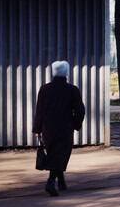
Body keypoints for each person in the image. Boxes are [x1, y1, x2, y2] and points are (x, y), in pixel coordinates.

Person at [32, 60, 86, 196]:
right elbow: (80, 111)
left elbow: (39, 111)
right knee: (60, 155)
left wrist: (37, 130)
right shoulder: (72, 90)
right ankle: (50, 182)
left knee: (54, 154)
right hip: (65, 128)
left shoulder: (44, 89)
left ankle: (61, 182)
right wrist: (75, 124)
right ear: (66, 73)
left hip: (48, 129)